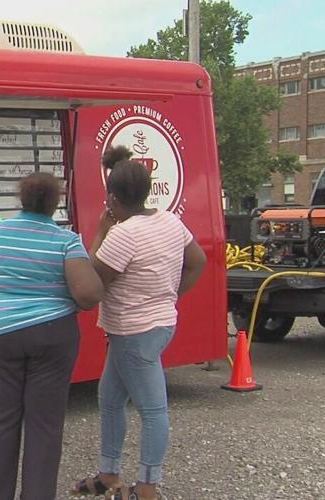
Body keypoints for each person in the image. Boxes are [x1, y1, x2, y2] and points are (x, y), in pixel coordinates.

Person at [72, 146, 207, 500]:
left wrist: (100, 232)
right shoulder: (170, 221)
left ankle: (146, 487)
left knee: (153, 410)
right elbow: (197, 261)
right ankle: (109, 473)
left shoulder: (123, 235)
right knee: (109, 398)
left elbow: (91, 282)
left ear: (112, 198)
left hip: (133, 331)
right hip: (157, 325)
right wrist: (169, 295)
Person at [0, 172, 103, 500]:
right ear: (55, 203)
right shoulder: (65, 240)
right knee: (44, 426)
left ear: (22, 200)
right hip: (52, 335)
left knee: (0, 421)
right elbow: (88, 295)